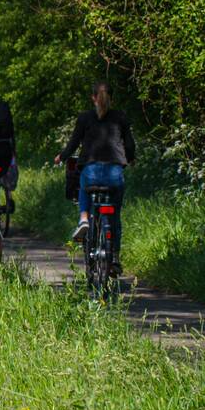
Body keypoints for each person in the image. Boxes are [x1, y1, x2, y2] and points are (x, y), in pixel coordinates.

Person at [54, 82, 135, 271]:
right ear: (111, 98)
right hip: (114, 173)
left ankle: (84, 218)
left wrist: (62, 156)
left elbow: (74, 142)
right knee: (114, 214)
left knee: (83, 185)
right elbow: (129, 144)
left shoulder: (85, 118)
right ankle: (114, 256)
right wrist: (130, 159)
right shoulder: (120, 117)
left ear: (93, 97)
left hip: (90, 171)